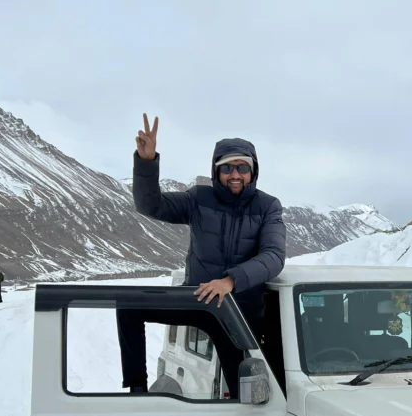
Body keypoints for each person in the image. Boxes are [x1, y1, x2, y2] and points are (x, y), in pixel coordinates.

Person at [116, 114, 286, 394]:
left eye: (242, 167)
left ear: (252, 171)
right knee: (128, 307)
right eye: (227, 167)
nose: (235, 174)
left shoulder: (267, 207)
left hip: (238, 312)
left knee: (242, 391)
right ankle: (136, 389)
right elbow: (151, 206)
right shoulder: (199, 199)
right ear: (216, 171)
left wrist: (230, 282)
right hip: (198, 301)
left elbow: (274, 256)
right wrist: (146, 162)